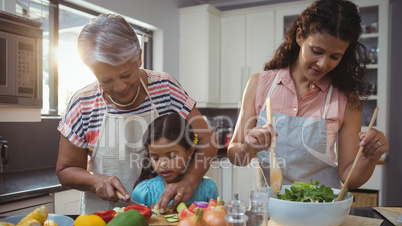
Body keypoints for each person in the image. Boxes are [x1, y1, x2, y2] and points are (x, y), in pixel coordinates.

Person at [56, 14, 217, 214]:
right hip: (104, 218)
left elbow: (207, 140)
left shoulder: (165, 88)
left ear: (139, 58)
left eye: (126, 74)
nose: (120, 87)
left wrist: (189, 182)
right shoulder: (82, 103)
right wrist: (96, 180)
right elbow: (65, 170)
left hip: (164, 215)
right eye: (106, 80)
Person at [227, 0, 389, 190]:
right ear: (300, 36)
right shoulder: (259, 84)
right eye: (317, 51)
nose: (322, 63)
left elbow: (349, 177)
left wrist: (370, 157)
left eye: (334, 56)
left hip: (320, 213)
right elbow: (235, 154)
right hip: (270, 212)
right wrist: (247, 148)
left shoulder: (346, 99)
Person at [132, 113, 219, 207]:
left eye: (172, 156)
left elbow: (214, 217)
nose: (163, 164)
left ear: (189, 151)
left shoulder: (208, 189)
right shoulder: (143, 192)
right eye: (155, 158)